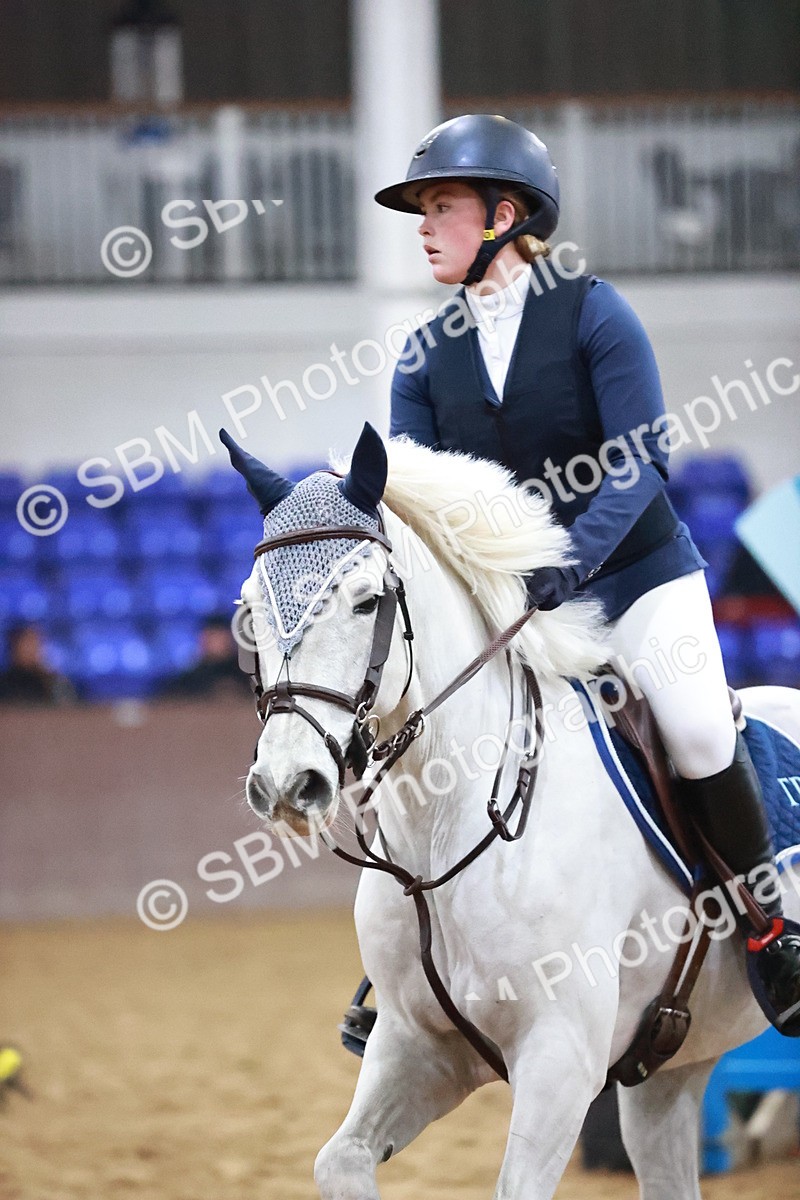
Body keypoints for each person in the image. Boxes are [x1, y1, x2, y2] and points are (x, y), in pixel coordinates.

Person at [373, 114, 800, 1032]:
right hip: (516, 603)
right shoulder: (422, 355)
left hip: (638, 576)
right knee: (433, 740)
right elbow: (414, 498)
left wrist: (568, 562)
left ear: (503, 214)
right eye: (420, 209)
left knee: (690, 731)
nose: (421, 224)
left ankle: (769, 927)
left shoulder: (594, 311)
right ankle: (404, 964)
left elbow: (642, 458)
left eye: (439, 205)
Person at [161, 615, 251, 700]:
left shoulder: (245, 675)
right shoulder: (191, 678)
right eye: (210, 636)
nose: (214, 642)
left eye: (218, 636)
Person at [0, 624, 75, 706]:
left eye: (36, 643)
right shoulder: (4, 682)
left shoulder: (52, 682)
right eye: (26, 643)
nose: (32, 649)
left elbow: (66, 709)